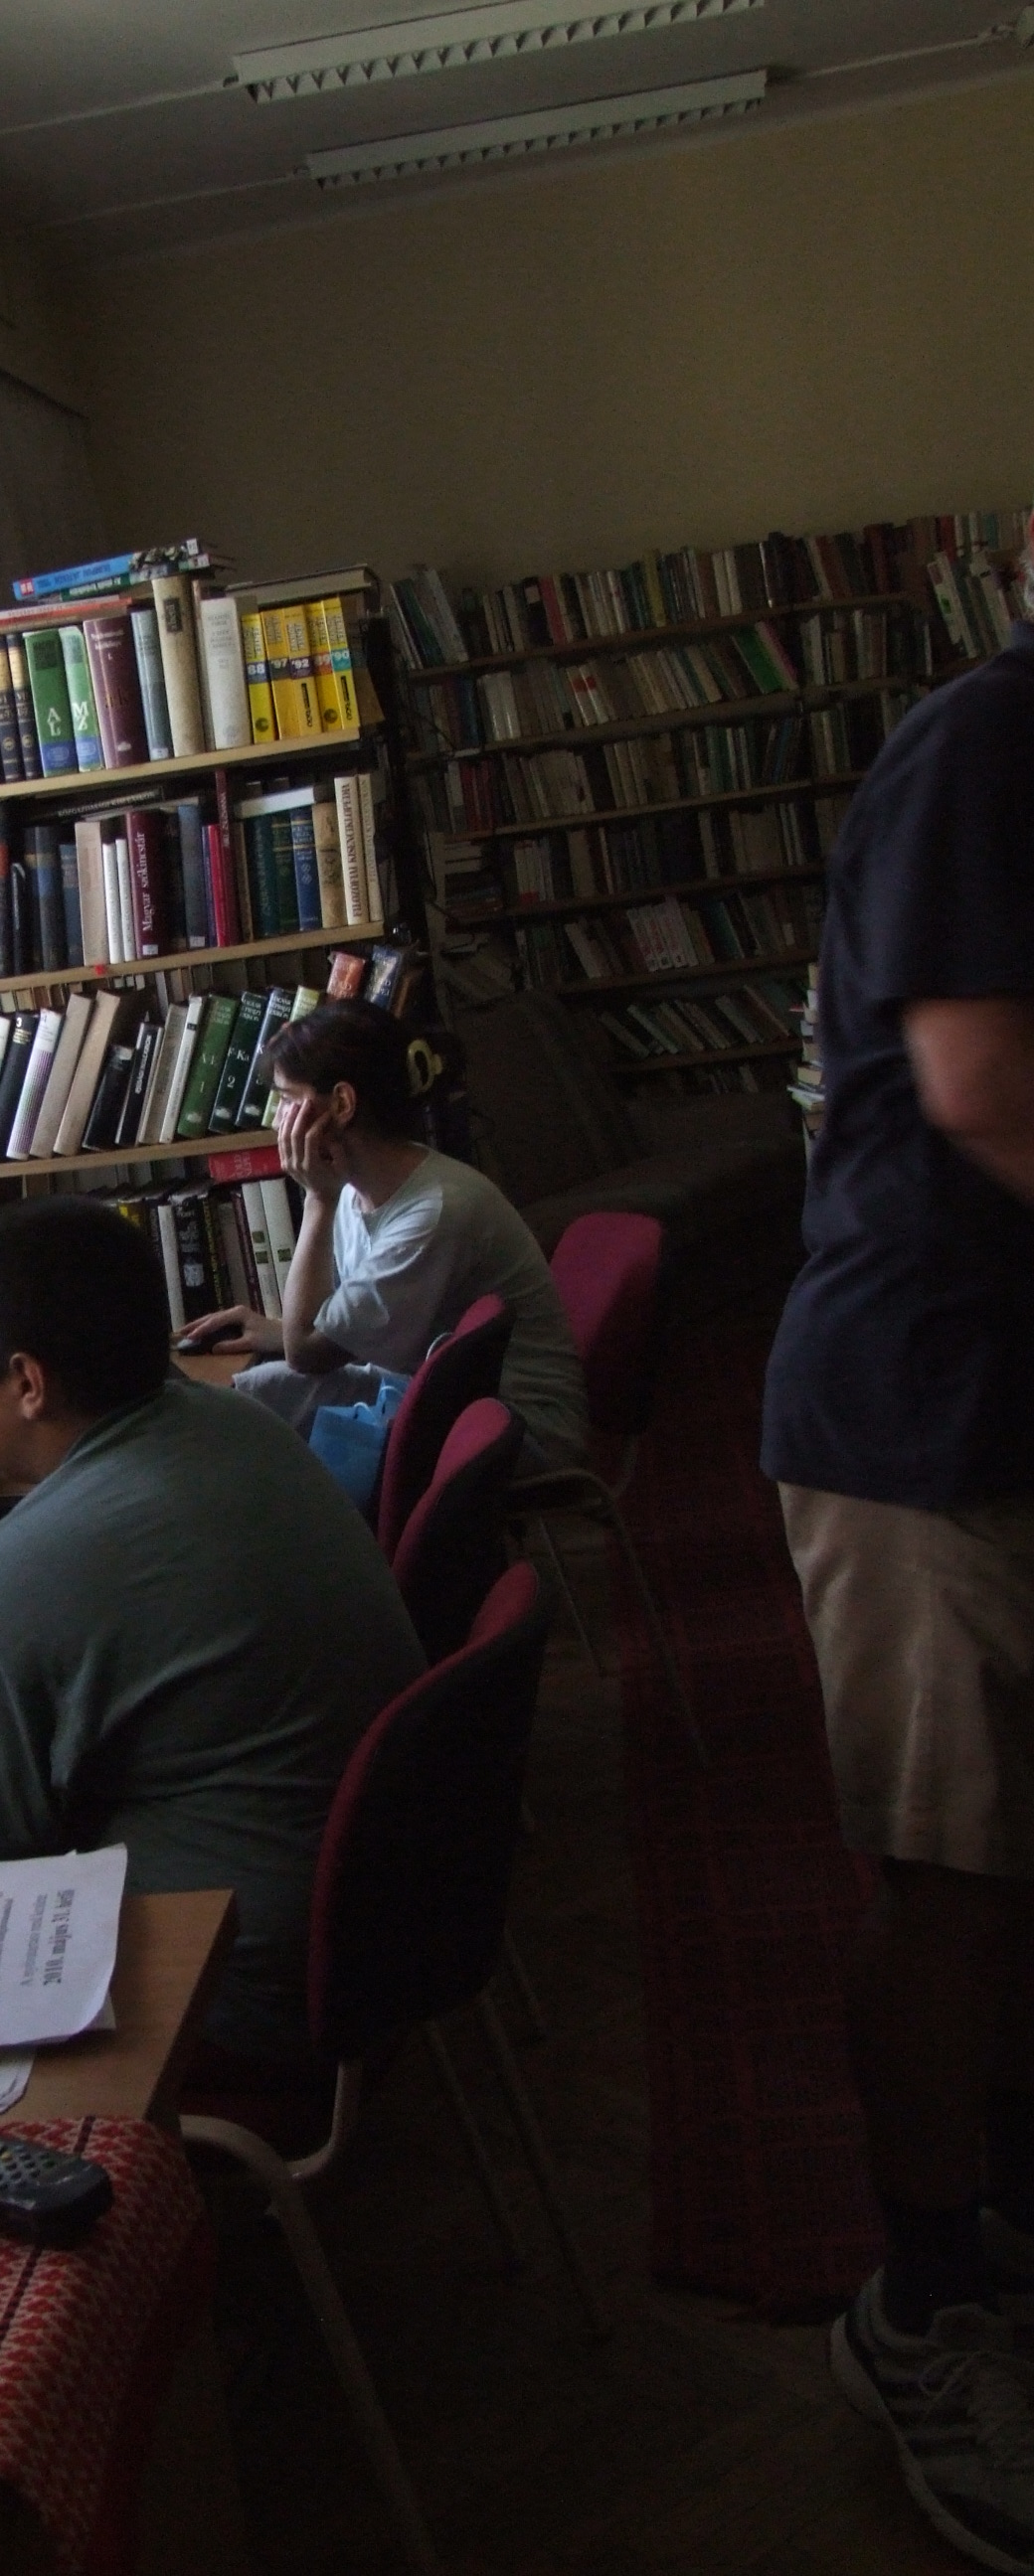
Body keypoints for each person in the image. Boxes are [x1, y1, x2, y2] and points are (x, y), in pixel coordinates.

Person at [761, 527, 1034, 2573]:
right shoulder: (988, 747)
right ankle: (923, 2299)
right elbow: (984, 1082)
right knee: (945, 1871)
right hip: (921, 1420)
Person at [0, 1195, 426, 2075]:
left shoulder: (13, 1578)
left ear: (28, 1383)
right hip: (387, 1921)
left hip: (237, 1994)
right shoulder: (239, 1423)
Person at [194, 1000, 589, 1472]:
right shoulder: (358, 1189)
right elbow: (324, 1337)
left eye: (286, 1099)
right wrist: (273, 1333)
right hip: (439, 1393)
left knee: (255, 1432)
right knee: (239, 1403)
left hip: (511, 1427)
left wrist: (316, 1200)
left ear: (342, 1104)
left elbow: (308, 1354)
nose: (277, 1121)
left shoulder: (433, 1211)